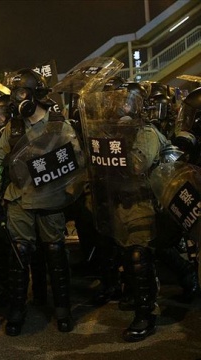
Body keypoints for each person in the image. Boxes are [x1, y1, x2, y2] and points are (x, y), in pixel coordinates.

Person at [0, 68, 84, 336]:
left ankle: (63, 309)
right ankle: (17, 311)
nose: (17, 100)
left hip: (50, 200)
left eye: (21, 93)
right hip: (19, 199)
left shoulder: (58, 126)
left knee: (55, 253)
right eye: (14, 94)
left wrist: (68, 192)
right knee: (19, 256)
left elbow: (76, 161)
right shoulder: (13, 128)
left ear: (35, 94)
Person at [80, 81, 170, 342]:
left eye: (127, 102)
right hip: (119, 202)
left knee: (139, 256)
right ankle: (138, 298)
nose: (120, 107)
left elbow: (138, 164)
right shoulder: (112, 132)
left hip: (141, 202)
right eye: (117, 102)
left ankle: (147, 313)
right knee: (126, 255)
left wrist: (117, 141)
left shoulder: (146, 132)